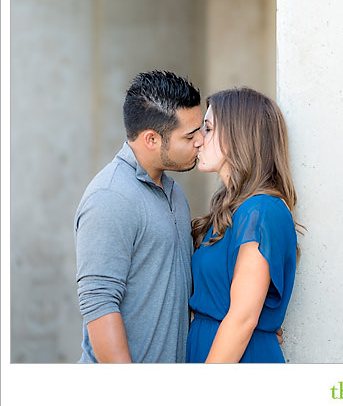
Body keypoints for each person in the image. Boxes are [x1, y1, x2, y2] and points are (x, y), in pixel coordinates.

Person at [74, 70, 203, 363]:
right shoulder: (110, 197)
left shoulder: (174, 193)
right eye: (190, 135)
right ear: (152, 139)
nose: (200, 142)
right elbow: (99, 302)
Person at [186, 86, 301, 363]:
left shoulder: (261, 211)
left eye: (209, 129)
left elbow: (242, 318)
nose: (199, 140)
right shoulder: (233, 210)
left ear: (238, 137)